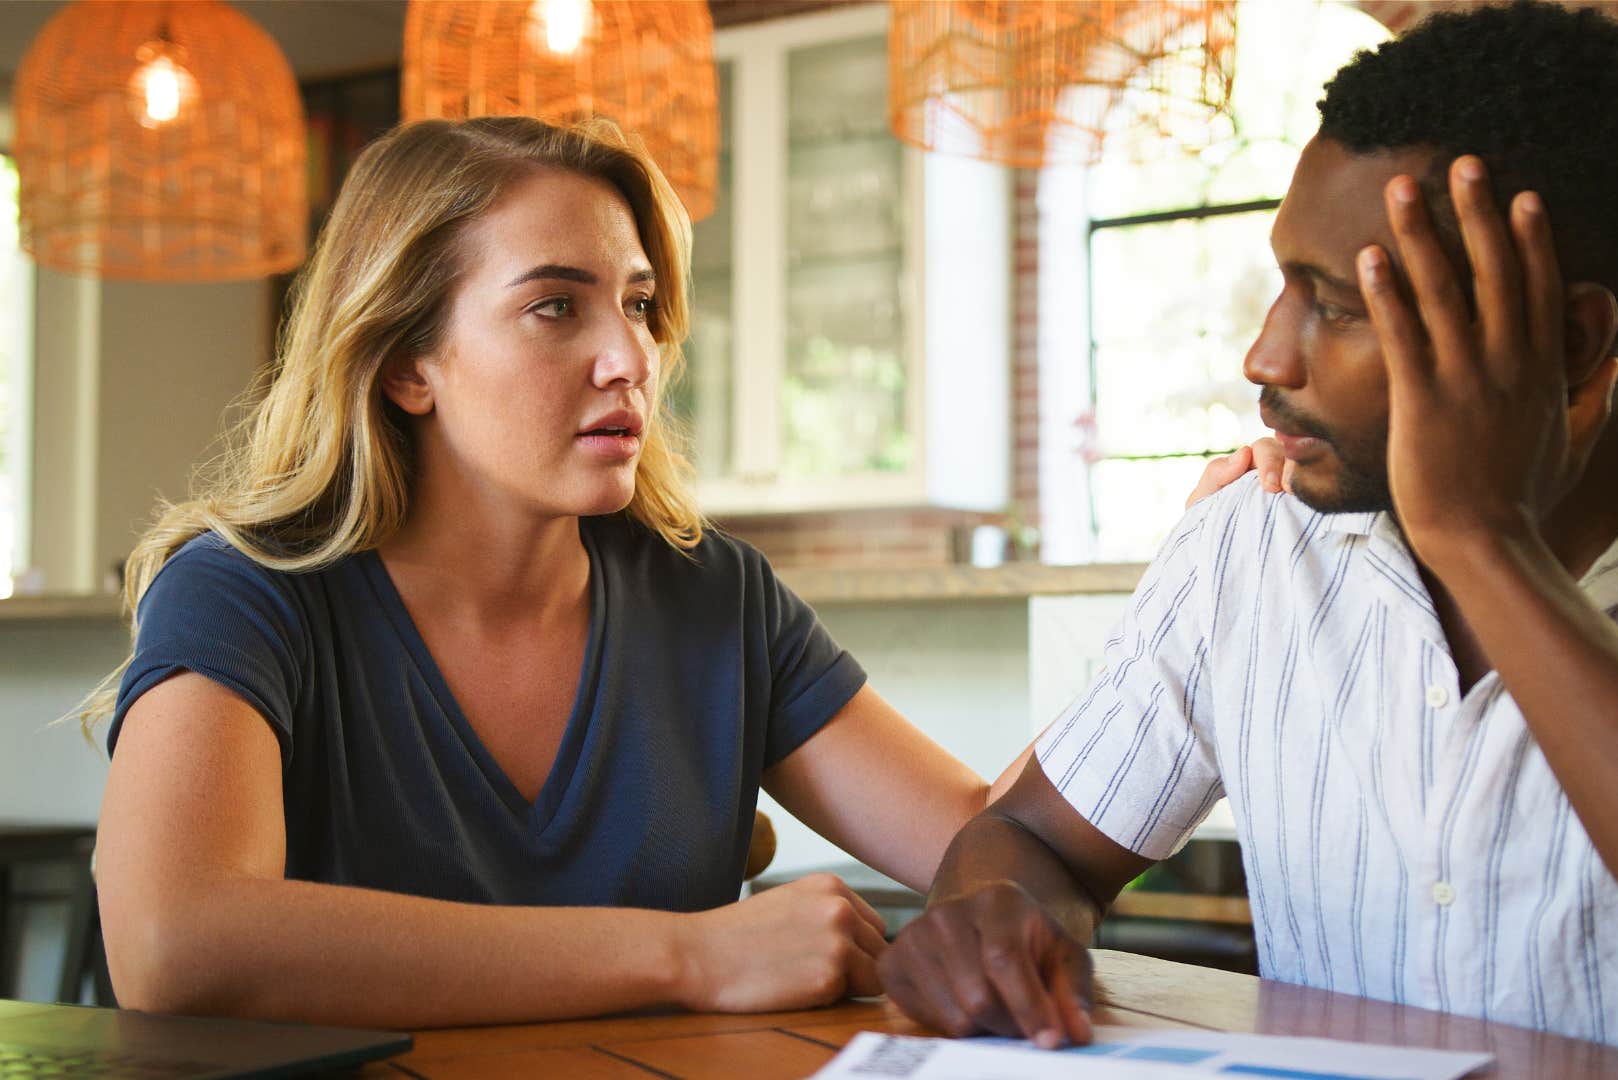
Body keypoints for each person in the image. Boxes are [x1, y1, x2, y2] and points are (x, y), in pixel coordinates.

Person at [876, 4, 1618, 1078]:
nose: (1264, 355)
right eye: (1287, 285)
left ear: (1568, 340)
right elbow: (1038, 840)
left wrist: (1483, 541)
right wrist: (990, 913)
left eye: (1338, 307)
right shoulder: (1248, 552)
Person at [82, 116, 1239, 1030]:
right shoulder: (249, 590)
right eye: (554, 307)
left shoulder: (713, 597)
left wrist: (1186, 600)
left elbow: (990, 842)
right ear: (406, 364)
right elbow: (176, 944)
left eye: (638, 304)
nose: (628, 355)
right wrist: (690, 953)